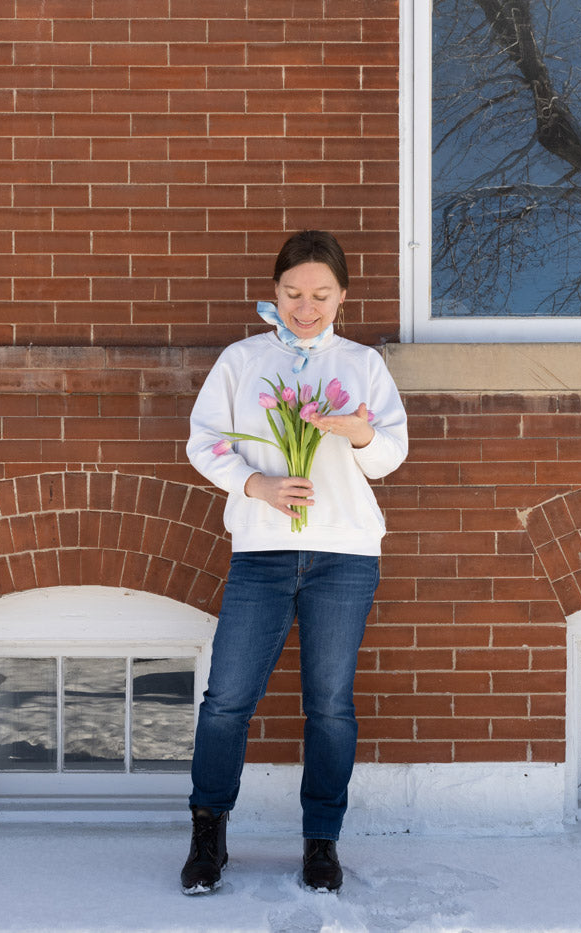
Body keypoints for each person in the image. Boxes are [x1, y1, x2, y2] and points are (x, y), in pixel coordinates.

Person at [181, 230, 409, 894]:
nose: (305, 308)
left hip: (344, 556)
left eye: (320, 294)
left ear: (342, 295)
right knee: (226, 700)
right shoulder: (243, 359)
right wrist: (260, 486)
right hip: (262, 552)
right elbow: (205, 442)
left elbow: (388, 454)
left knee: (330, 705)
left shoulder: (361, 363)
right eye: (292, 293)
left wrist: (359, 431)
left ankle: (321, 842)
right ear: (274, 291)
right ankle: (207, 832)